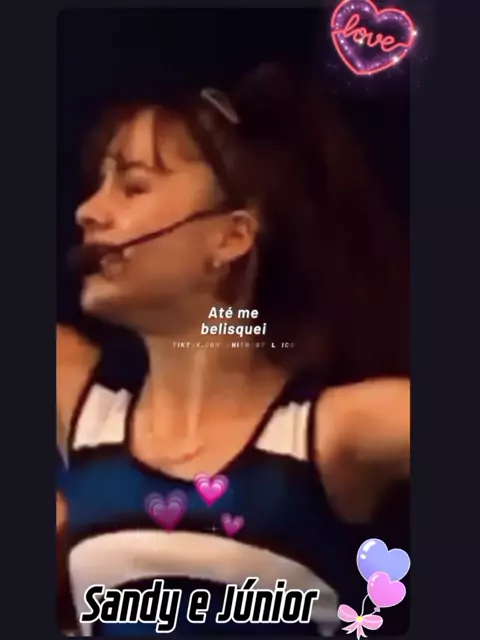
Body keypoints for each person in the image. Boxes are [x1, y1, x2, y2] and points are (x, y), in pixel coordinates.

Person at [57, 64, 410, 636]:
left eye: (134, 186)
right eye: (98, 184)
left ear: (232, 236)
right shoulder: (75, 401)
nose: (88, 211)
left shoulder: (345, 432)